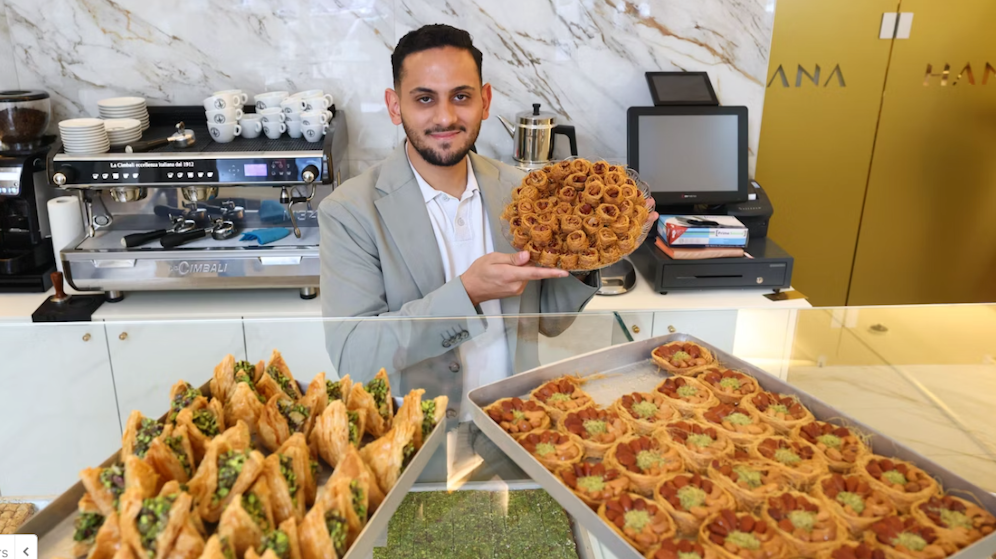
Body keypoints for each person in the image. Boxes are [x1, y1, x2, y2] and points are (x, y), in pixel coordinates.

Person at [319, 24, 655, 425]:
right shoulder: (350, 210)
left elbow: (549, 322)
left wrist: (597, 250)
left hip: (517, 421)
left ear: (486, 100)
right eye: (424, 99)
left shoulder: (522, 192)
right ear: (395, 106)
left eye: (461, 96)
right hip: (416, 435)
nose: (445, 116)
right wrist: (467, 293)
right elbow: (353, 356)